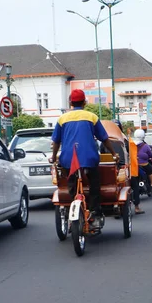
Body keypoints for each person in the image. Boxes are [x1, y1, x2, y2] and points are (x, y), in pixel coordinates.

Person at [51, 89, 119, 229]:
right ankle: (95, 211)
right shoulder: (91, 117)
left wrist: (53, 157)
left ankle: (72, 206)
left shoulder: (62, 118)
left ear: (70, 102)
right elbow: (104, 138)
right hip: (89, 158)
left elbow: (56, 141)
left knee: (71, 183)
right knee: (94, 184)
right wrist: (114, 154)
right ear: (84, 103)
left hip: (68, 159)